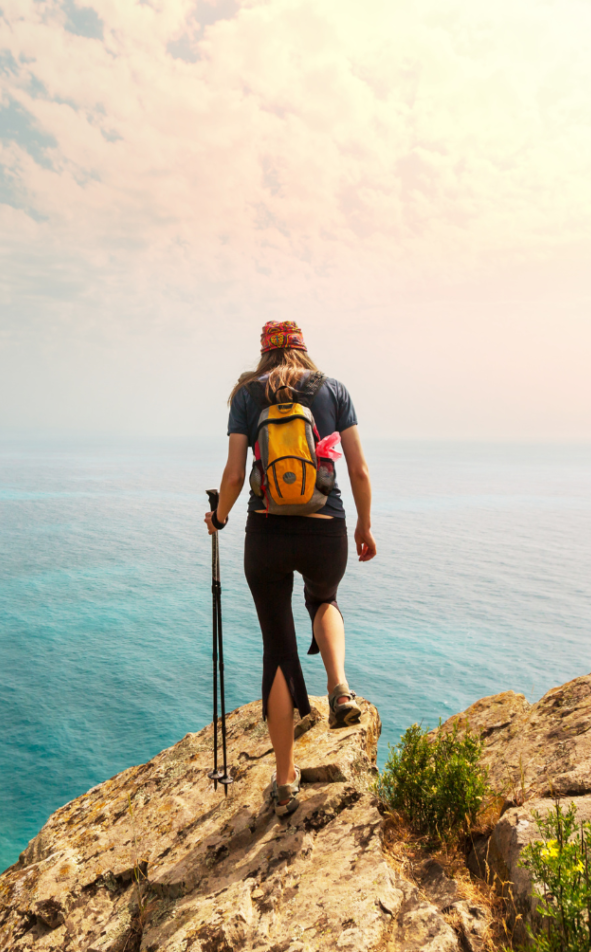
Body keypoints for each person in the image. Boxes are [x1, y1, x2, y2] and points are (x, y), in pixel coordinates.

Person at [204, 320, 376, 817]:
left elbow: (235, 473)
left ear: (264, 354)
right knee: (324, 599)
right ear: (303, 350)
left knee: (277, 647)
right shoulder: (334, 390)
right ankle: (339, 686)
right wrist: (365, 525)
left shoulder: (245, 395)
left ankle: (284, 781)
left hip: (266, 533)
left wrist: (220, 517)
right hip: (327, 528)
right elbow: (359, 469)